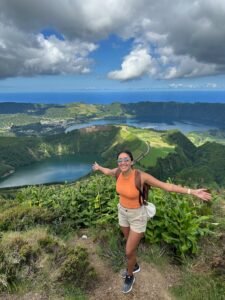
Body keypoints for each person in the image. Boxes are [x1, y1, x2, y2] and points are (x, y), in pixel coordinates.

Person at [92, 150, 211, 294]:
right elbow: (107, 171)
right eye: (120, 160)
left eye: (126, 159)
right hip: (122, 212)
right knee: (127, 240)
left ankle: (130, 275)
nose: (122, 162)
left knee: (129, 251)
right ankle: (134, 265)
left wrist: (192, 192)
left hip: (138, 216)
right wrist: (99, 168)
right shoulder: (117, 172)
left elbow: (167, 186)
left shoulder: (141, 177)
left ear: (131, 162)